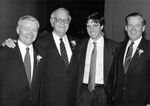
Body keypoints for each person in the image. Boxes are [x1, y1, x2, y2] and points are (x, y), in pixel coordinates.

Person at [2, 7, 79, 106]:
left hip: (72, 101)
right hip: (48, 101)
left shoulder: (78, 43)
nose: (62, 22)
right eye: (58, 19)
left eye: (65, 20)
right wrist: (9, 42)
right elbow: (24, 43)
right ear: (52, 22)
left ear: (69, 22)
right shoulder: (39, 41)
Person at [0, 15, 46, 106]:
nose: (30, 33)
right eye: (26, 28)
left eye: (34, 30)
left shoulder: (42, 54)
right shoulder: (4, 52)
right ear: (18, 30)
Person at [76, 12, 119, 106]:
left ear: (102, 26)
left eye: (95, 25)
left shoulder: (115, 47)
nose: (91, 29)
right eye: (88, 26)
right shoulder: (79, 45)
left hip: (103, 93)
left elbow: (117, 75)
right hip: (83, 92)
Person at [107, 12, 150, 105]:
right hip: (119, 101)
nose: (133, 29)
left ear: (143, 28)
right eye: (130, 25)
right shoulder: (119, 47)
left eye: (137, 25)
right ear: (126, 27)